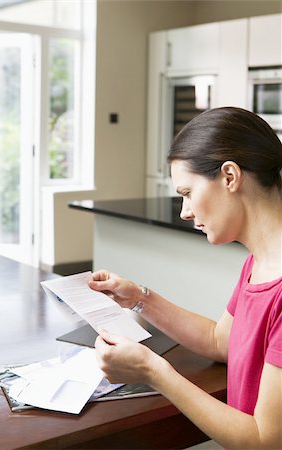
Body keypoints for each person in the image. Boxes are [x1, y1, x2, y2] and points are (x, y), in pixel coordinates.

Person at [89, 107, 282, 450]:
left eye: (188, 192)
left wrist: (153, 371)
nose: (185, 211)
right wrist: (138, 297)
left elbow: (264, 440)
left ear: (229, 177)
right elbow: (220, 340)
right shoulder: (259, 262)